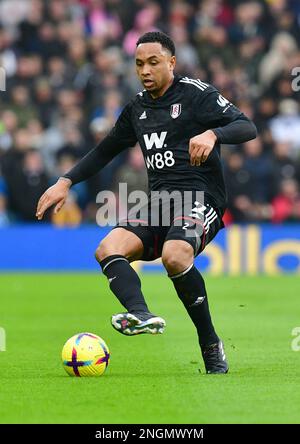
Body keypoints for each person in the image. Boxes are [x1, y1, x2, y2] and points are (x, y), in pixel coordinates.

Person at [36, 32, 257, 374]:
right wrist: (65, 181)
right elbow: (106, 149)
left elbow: (247, 126)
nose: (145, 70)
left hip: (201, 196)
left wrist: (214, 134)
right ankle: (141, 313)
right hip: (159, 200)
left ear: (171, 62)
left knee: (175, 255)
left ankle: (210, 343)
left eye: (154, 62)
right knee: (107, 248)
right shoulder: (138, 107)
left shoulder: (197, 94)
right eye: (139, 64)